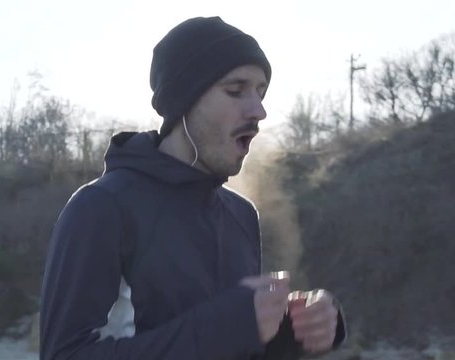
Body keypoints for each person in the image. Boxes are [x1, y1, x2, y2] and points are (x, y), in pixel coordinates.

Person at [40, 16, 346, 360]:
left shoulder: (241, 215)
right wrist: (227, 327)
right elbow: (65, 355)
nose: (258, 110)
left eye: (261, 93)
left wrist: (293, 334)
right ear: (184, 101)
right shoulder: (102, 206)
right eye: (235, 90)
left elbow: (226, 345)